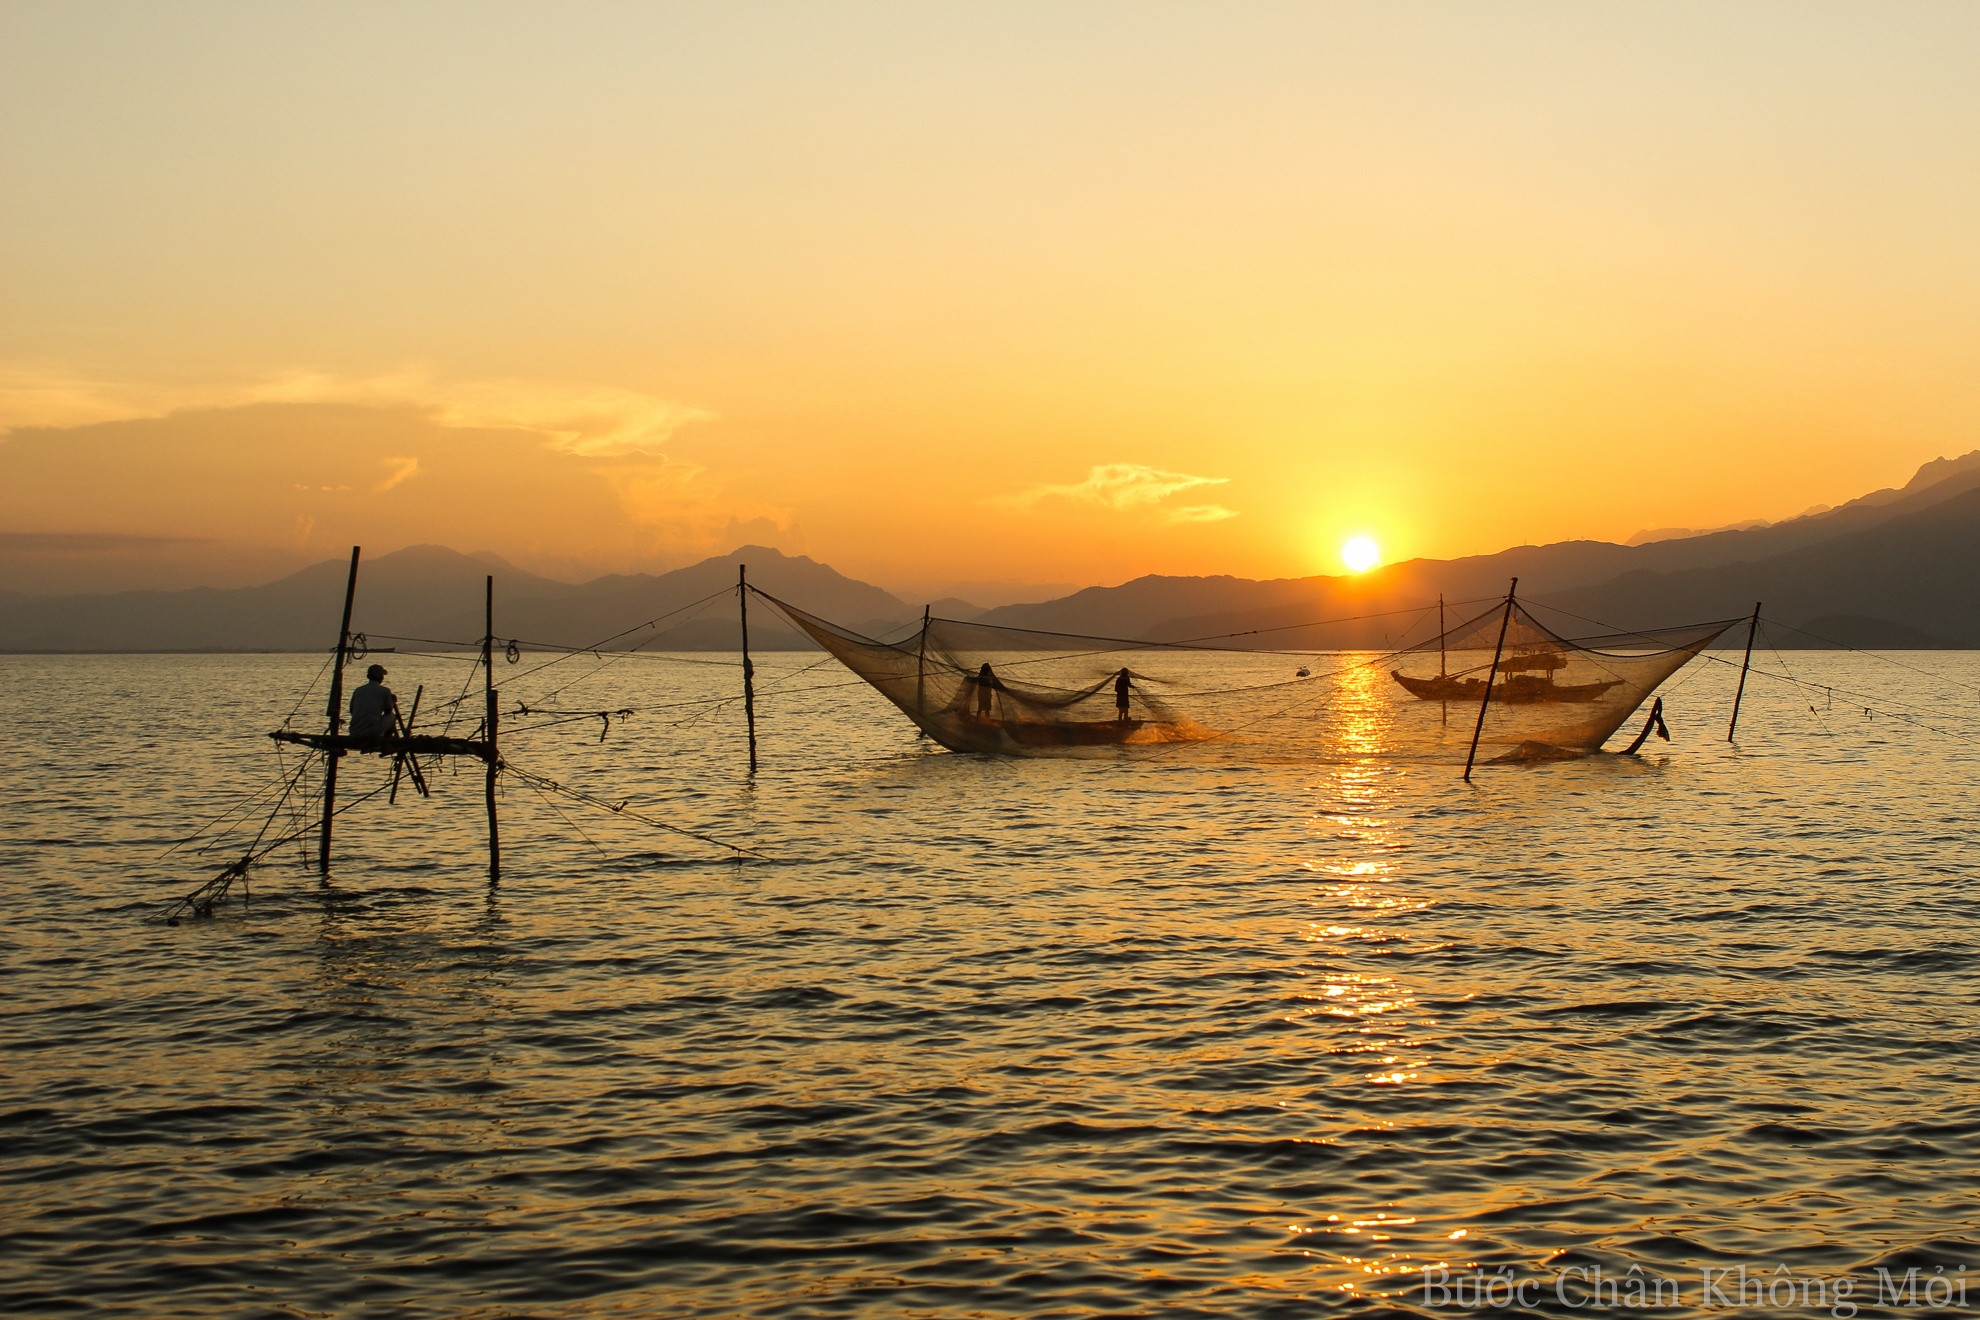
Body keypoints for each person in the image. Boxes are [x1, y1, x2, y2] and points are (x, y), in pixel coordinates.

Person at [349, 663, 398, 740]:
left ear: (368, 677)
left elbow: (352, 710)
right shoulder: (385, 691)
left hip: (354, 732)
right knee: (392, 717)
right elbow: (388, 711)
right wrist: (393, 702)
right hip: (371, 732)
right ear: (381, 678)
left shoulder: (358, 690)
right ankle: (386, 742)